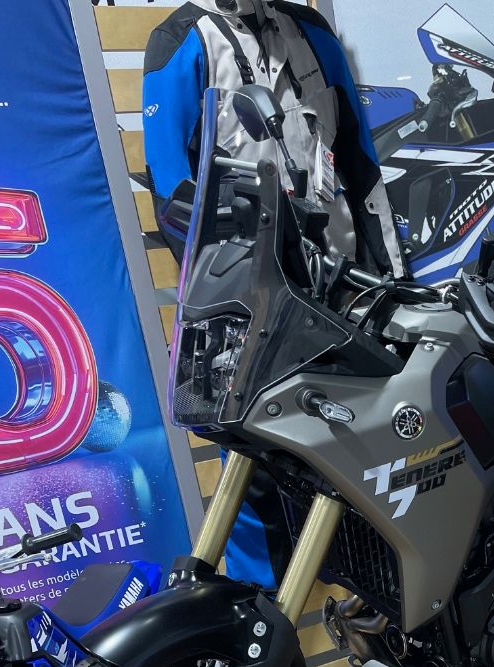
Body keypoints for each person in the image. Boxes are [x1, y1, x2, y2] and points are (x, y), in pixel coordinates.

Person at [143, 0, 404, 587]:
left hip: (337, 297)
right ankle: (259, 629)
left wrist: (391, 281)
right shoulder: (181, 39)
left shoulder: (313, 33)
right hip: (247, 307)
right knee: (255, 470)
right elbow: (171, 193)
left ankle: (375, 611)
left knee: (359, 458)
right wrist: (238, 267)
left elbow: (361, 165)